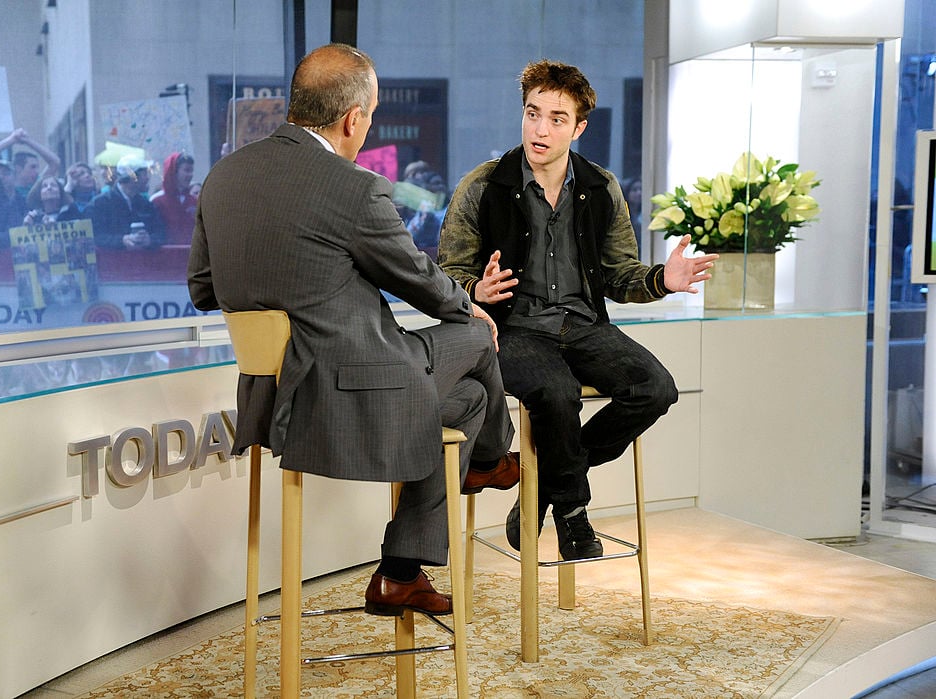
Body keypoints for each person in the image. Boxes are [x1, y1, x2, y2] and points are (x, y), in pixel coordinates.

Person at [188, 43, 517, 616]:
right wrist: (469, 304)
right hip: (345, 397)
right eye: (371, 116)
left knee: (466, 401)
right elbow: (419, 281)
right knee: (474, 337)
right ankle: (492, 459)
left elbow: (203, 289)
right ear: (353, 118)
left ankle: (399, 573)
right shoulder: (353, 188)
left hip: (272, 400)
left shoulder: (223, 176)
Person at [438, 60, 717, 561]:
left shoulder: (601, 187)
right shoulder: (482, 185)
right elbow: (449, 273)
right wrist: (476, 289)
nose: (540, 129)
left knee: (655, 389)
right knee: (556, 393)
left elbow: (620, 275)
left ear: (579, 127)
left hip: (584, 325)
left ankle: (545, 486)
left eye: (557, 119)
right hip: (512, 329)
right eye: (532, 114)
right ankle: (573, 514)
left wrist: (663, 280)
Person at [84, 155, 165, 250]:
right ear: (132, 177)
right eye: (144, 174)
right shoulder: (99, 204)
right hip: (112, 259)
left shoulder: (146, 204)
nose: (147, 178)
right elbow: (94, 237)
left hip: (142, 259)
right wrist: (122, 240)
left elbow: (162, 233)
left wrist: (150, 240)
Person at [0, 128, 62, 200]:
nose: (37, 171)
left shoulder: (37, 187)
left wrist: (28, 141)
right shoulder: (3, 186)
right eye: (32, 167)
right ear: (18, 168)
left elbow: (55, 162)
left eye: (37, 167)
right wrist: (12, 139)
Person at [150, 152, 199, 244]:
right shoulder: (157, 200)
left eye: (191, 171)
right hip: (166, 252)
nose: (190, 175)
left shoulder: (195, 201)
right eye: (186, 170)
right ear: (173, 172)